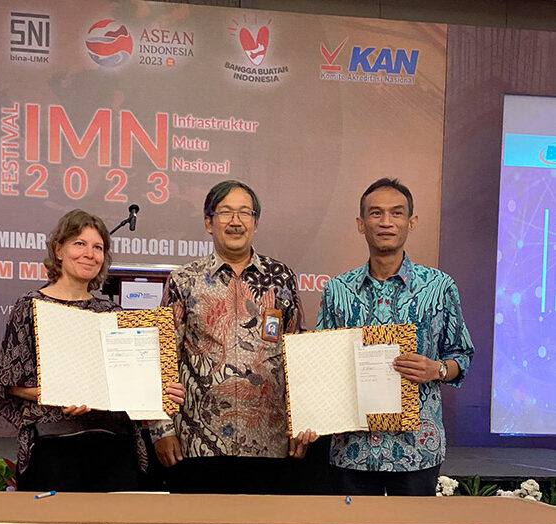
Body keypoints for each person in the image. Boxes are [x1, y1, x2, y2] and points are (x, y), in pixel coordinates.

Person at [0, 208, 184, 492]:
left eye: (98, 248)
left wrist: (161, 392)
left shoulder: (113, 313)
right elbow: (11, 385)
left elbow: (130, 382)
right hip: (55, 446)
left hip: (114, 446)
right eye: (79, 244)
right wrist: (65, 394)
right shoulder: (31, 306)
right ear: (59, 250)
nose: (90, 254)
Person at [152, 180, 315, 493]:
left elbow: (298, 354)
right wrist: (162, 430)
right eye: (225, 212)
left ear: (256, 222)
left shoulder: (280, 277)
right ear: (208, 222)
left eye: (244, 212)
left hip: (270, 442)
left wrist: (302, 421)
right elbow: (163, 358)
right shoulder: (185, 280)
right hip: (199, 443)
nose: (236, 221)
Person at [317, 178, 474, 496]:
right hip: (353, 451)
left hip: (417, 450)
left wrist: (437, 369)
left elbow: (462, 355)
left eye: (397, 213)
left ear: (411, 222)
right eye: (376, 214)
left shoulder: (439, 287)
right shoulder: (338, 290)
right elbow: (322, 364)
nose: (386, 222)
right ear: (361, 224)